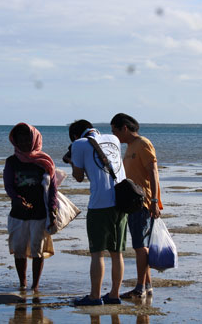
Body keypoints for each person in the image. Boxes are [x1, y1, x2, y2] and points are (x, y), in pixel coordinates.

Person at [64, 119, 128, 306]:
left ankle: (94, 296)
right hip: (122, 201)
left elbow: (78, 177)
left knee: (97, 253)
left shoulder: (78, 144)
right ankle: (115, 294)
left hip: (100, 203)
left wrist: (70, 161)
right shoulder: (114, 139)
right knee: (117, 253)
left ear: (75, 136)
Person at [110, 113, 163, 298]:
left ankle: (139, 288)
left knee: (141, 247)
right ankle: (147, 286)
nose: (113, 135)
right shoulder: (130, 146)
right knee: (140, 246)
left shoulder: (143, 144)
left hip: (143, 203)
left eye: (114, 131)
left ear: (124, 128)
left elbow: (153, 172)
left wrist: (154, 201)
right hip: (131, 203)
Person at [3, 123, 58, 293]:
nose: (25, 144)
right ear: (15, 141)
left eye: (28, 140)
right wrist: (17, 199)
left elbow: (53, 189)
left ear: (35, 140)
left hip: (40, 213)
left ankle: (35, 286)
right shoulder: (12, 161)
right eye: (21, 140)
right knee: (19, 250)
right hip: (18, 213)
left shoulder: (45, 162)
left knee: (37, 250)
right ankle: (22, 283)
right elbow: (8, 185)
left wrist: (53, 209)